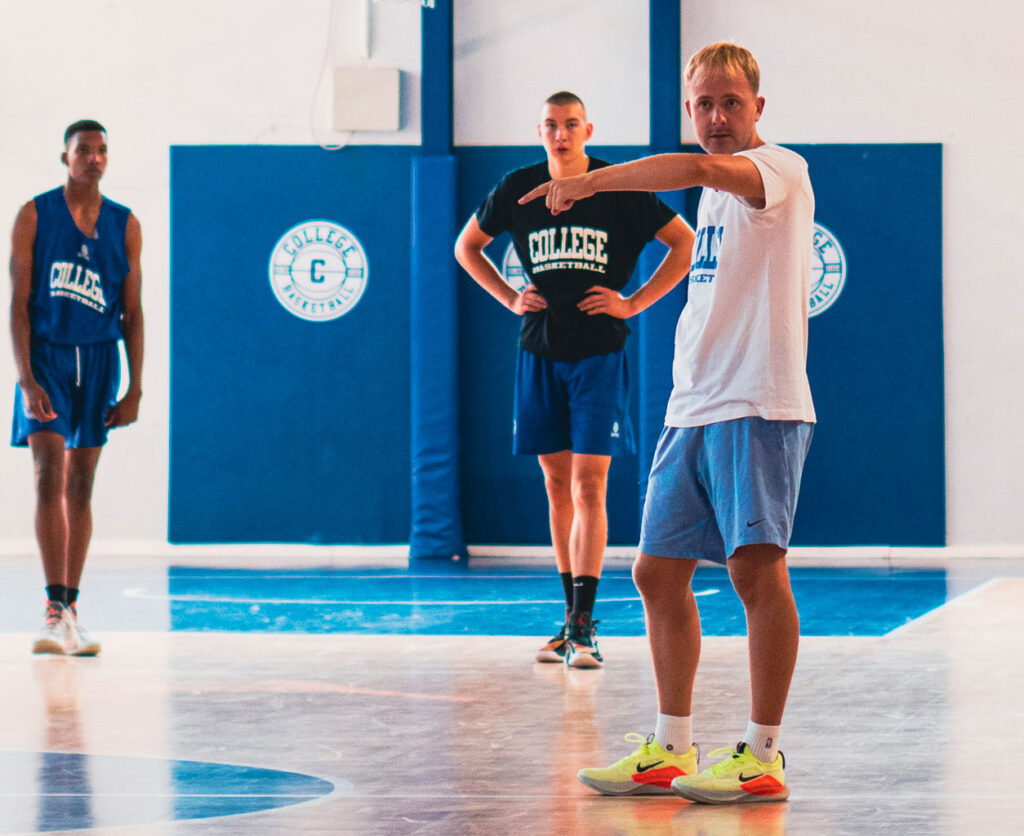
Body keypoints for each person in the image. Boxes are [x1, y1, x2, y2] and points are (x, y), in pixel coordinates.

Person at [521, 44, 815, 802]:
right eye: (703, 105)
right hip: (695, 405)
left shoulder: (777, 170)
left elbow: (696, 169)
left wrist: (589, 181)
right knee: (655, 572)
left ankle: (763, 755)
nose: (716, 117)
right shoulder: (713, 197)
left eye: (729, 102)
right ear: (690, 110)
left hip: (756, 400)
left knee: (755, 569)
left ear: (757, 107)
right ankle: (671, 747)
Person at [455, 92, 694, 669]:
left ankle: (586, 626)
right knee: (557, 485)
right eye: (549, 126)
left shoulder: (617, 186)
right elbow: (467, 247)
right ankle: (567, 622)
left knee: (591, 484)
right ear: (539, 131)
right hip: (539, 351)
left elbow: (684, 243)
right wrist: (510, 295)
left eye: (569, 125)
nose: (560, 134)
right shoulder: (519, 187)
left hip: (599, 355)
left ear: (588, 128)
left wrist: (634, 301)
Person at [10, 119, 144, 656]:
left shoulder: (126, 224)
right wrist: (25, 379)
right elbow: (17, 307)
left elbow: (133, 312)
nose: (94, 158)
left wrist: (136, 387)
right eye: (83, 150)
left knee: (81, 484)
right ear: (64, 158)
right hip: (47, 356)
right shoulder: (34, 214)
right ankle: (51, 610)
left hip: (99, 359)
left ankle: (70, 609)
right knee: (48, 473)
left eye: (102, 150)